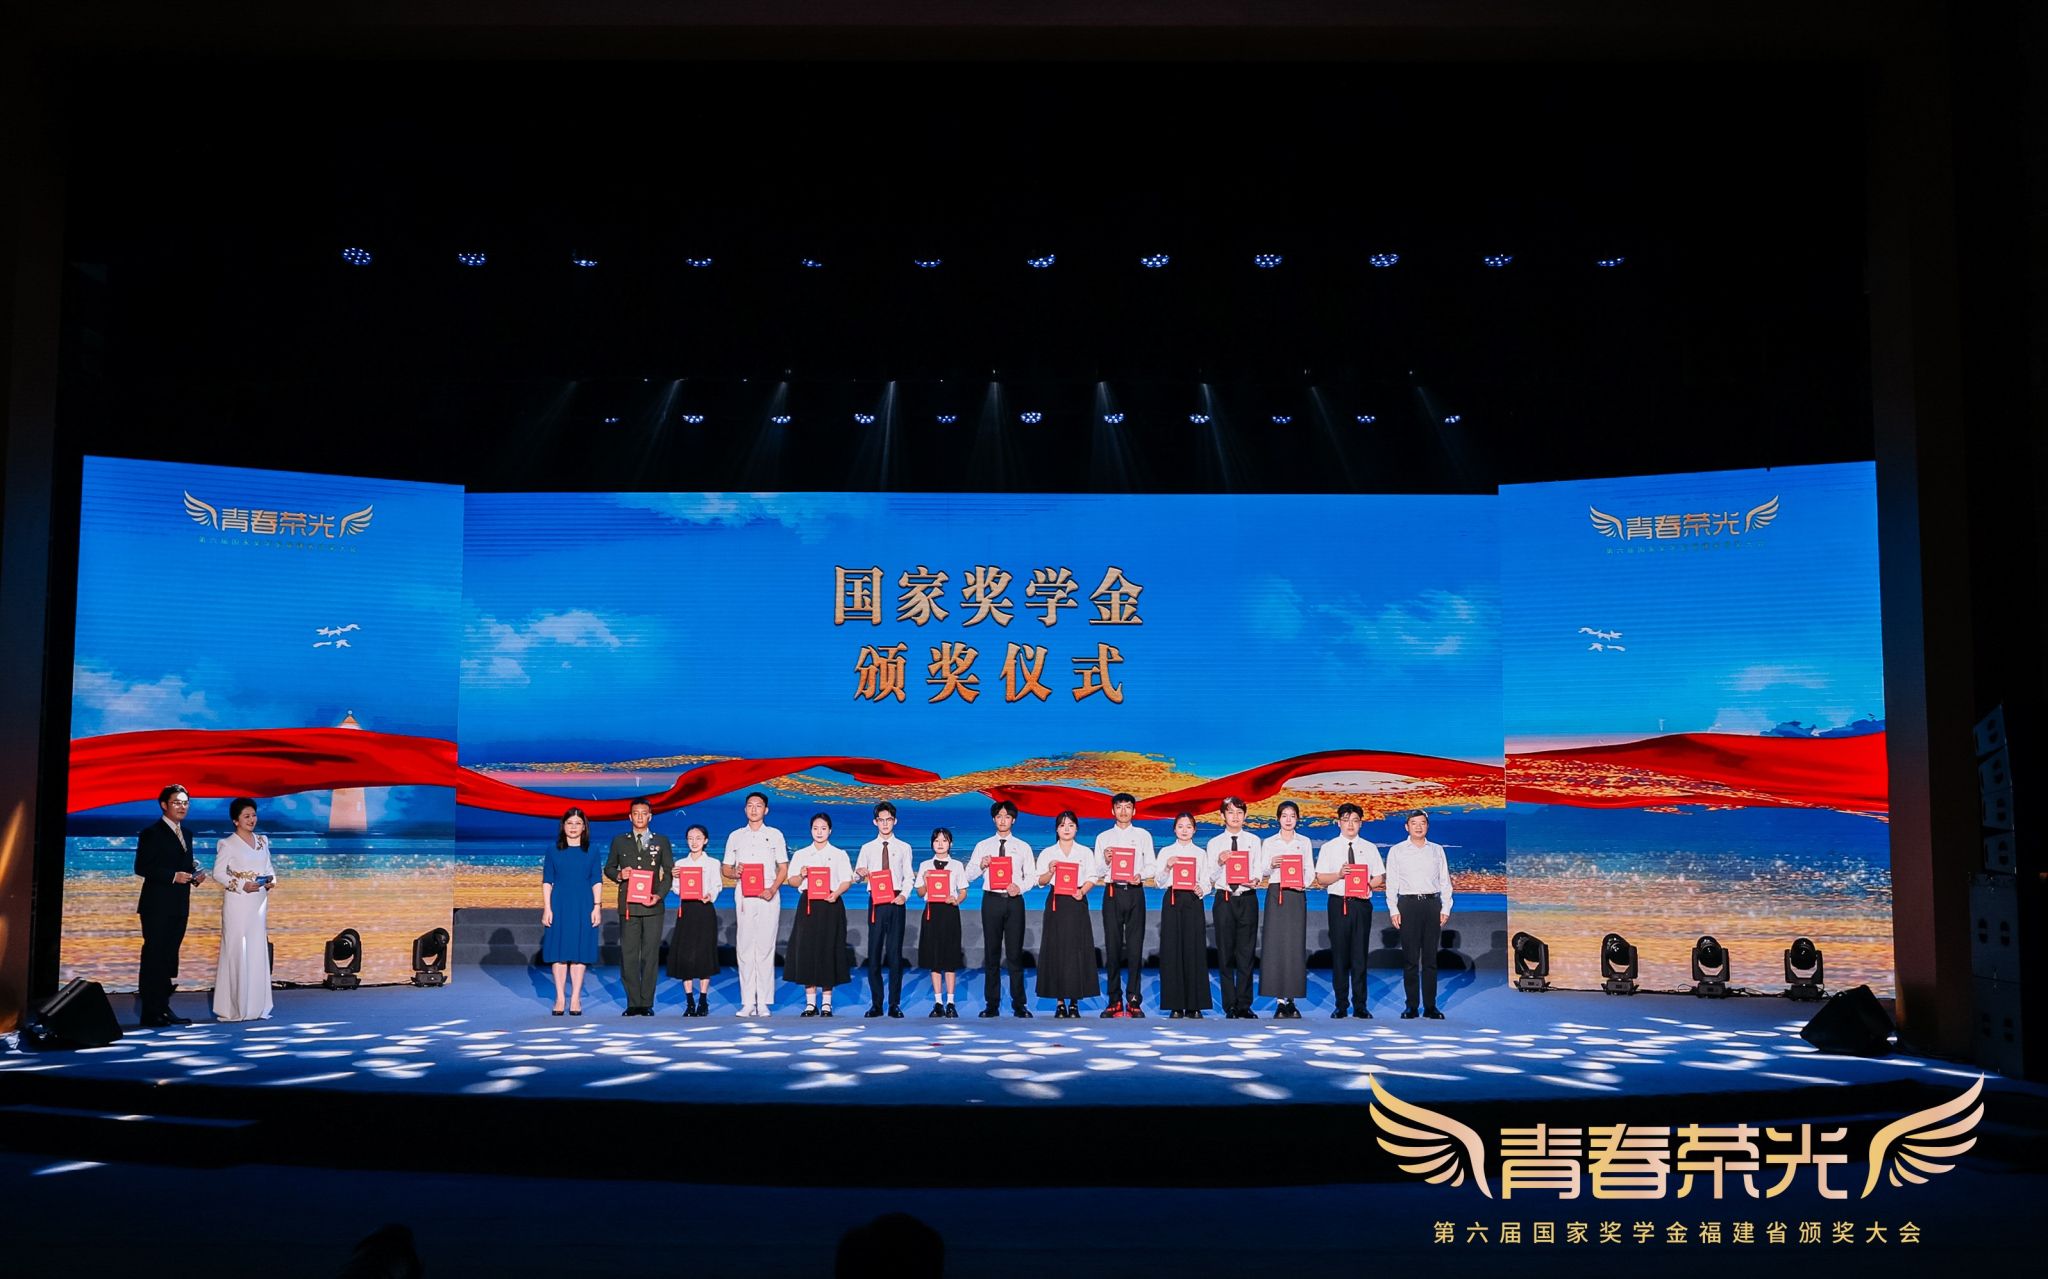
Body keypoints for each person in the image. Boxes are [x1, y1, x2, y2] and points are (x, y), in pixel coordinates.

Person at [134, 783, 204, 1027]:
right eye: (177, 802)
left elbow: (182, 864)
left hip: (179, 905)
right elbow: (142, 867)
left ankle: (163, 1007)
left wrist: (194, 875)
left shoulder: (187, 834)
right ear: (164, 805)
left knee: (168, 957)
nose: (182, 807)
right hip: (156, 905)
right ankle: (150, 1012)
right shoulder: (151, 833)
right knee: (154, 956)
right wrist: (173, 876)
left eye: (185, 803)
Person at [1314, 801, 1386, 1019]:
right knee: (1339, 955)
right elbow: (1320, 879)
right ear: (1339, 823)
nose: (1350, 825)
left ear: (1361, 823)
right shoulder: (1329, 848)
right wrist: (1339, 874)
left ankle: (1360, 1005)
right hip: (1339, 903)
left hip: (1361, 904)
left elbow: (1379, 876)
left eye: (1355, 820)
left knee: (1359, 955)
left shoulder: (1370, 848)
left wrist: (1368, 886)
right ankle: (1341, 1004)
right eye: (1346, 820)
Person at [604, 798, 674, 1016]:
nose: (640, 817)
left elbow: (668, 873)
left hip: (652, 906)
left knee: (650, 956)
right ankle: (633, 1002)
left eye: (644, 813)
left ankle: (646, 1003)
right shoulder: (619, 841)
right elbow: (608, 868)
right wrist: (619, 874)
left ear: (650, 816)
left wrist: (659, 896)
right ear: (630, 816)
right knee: (629, 955)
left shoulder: (661, 841)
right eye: (636, 813)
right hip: (628, 906)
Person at [722, 791, 789, 1017]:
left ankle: (764, 1002)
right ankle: (748, 1001)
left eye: (758, 805)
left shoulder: (775, 835)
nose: (754, 809)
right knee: (745, 948)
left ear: (766, 810)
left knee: (765, 947)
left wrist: (772, 889)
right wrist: (735, 872)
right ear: (745, 809)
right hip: (744, 896)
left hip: (768, 895)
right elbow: (726, 868)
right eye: (750, 805)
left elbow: (783, 867)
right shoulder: (735, 836)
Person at [210, 796, 276, 1022]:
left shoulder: (262, 841)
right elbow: (218, 873)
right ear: (235, 820)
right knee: (237, 952)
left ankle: (257, 1007)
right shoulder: (227, 844)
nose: (251, 820)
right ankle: (236, 1008)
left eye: (254, 815)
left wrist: (271, 881)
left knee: (257, 951)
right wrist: (240, 885)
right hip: (238, 903)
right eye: (246, 816)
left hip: (258, 901)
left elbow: (268, 867)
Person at [969, 799, 1035, 1017]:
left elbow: (1032, 877)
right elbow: (967, 875)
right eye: (999, 816)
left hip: (1014, 901)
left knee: (1015, 954)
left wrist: (1020, 887)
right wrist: (981, 865)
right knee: (992, 953)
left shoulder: (1023, 847)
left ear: (1013, 820)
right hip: (991, 901)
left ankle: (1019, 1004)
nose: (1003, 820)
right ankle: (992, 1004)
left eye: (1007, 816)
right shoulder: (983, 846)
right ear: (993, 819)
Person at [1386, 809, 1454, 1019]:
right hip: (1408, 905)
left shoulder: (1436, 850)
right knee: (1410, 959)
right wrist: (1393, 909)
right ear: (1407, 827)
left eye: (1422, 823)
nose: (1418, 826)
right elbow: (1391, 883)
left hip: (1432, 905)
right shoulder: (1397, 851)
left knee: (1430, 959)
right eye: (1414, 823)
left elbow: (1445, 881)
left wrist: (1445, 907)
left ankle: (1431, 1006)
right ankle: (1412, 1006)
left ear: (1427, 826)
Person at [1034, 810, 1102, 1019]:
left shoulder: (1084, 852)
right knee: (1056, 950)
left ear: (1076, 829)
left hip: (1077, 900)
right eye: (1063, 825)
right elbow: (1040, 881)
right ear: (1057, 829)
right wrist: (1050, 871)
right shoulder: (1048, 852)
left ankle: (1074, 1002)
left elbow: (1092, 876)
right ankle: (1060, 1002)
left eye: (1071, 825)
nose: (1066, 829)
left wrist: (1082, 891)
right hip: (1056, 902)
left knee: (1076, 950)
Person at [784, 813, 853, 1016]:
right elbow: (792, 881)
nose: (819, 832)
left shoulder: (839, 854)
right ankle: (810, 1003)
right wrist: (801, 875)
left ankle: (827, 1003)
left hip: (831, 904)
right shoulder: (801, 854)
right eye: (815, 828)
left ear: (830, 830)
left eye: (823, 828)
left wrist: (836, 893)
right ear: (810, 830)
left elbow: (846, 880)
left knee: (828, 949)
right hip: (808, 906)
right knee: (807, 950)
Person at [1092, 791, 1154, 1018]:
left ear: (1134, 811)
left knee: (1136, 948)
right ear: (1112, 810)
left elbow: (1152, 866)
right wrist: (1106, 860)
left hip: (1135, 892)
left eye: (1128, 807)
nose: (1123, 811)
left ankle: (1134, 999)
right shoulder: (1103, 838)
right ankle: (1114, 1000)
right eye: (1119, 807)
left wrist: (1140, 875)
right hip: (1112, 893)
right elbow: (1096, 871)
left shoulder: (1143, 835)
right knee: (1113, 947)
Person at [540, 806, 603, 1016]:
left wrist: (597, 907)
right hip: (559, 904)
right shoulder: (552, 850)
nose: (573, 827)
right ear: (563, 826)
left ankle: (575, 998)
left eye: (578, 823)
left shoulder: (592, 850)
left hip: (584, 904)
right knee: (559, 952)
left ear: (584, 827)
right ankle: (560, 997)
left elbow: (596, 880)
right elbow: (547, 880)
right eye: (569, 823)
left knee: (579, 952)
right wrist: (547, 908)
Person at [856, 800, 914, 1017]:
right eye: (881, 820)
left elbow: (909, 876)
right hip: (876, 902)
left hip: (896, 900)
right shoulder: (867, 848)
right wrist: (859, 874)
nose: (885, 823)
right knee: (874, 953)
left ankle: (894, 1004)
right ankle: (876, 1004)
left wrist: (904, 895)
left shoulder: (904, 847)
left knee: (894, 954)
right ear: (875, 822)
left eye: (889, 819)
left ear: (895, 821)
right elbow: (856, 876)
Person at [1152, 812, 1214, 1019]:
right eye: (1180, 826)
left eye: (1188, 826)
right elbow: (1158, 882)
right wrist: (1167, 867)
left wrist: (1201, 889)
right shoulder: (1166, 852)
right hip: (1172, 900)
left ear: (1194, 830)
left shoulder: (1200, 853)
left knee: (1194, 950)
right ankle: (1175, 1005)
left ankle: (1195, 1005)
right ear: (1174, 829)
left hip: (1193, 901)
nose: (1184, 830)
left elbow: (1207, 881)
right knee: (1172, 951)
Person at [1207, 795, 1263, 1019]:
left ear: (1245, 815)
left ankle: (1244, 1004)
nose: (1235, 817)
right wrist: (1220, 862)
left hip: (1248, 898)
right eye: (1231, 812)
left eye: (1240, 812)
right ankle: (1229, 1004)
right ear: (1222, 815)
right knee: (1225, 954)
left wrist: (1256, 879)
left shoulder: (1254, 840)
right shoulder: (1214, 843)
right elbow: (1210, 876)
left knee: (1246, 954)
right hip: (1225, 899)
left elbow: (1258, 869)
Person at [1258, 800, 1312, 1019]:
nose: (1288, 820)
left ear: (1297, 819)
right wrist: (1271, 864)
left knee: (1294, 946)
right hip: (1276, 893)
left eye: (1292, 816)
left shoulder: (1304, 841)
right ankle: (1280, 1001)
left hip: (1296, 895)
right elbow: (1261, 870)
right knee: (1276, 945)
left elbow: (1309, 870)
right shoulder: (1270, 842)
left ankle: (1292, 999)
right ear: (1278, 818)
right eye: (1284, 816)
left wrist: (1303, 884)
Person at [667, 823, 723, 1016]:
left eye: (698, 838)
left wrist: (710, 895)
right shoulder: (680, 864)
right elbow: (676, 890)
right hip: (687, 910)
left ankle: (703, 1000)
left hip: (704, 909)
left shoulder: (713, 863)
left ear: (705, 840)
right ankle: (689, 1001)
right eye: (690, 838)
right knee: (686, 956)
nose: (694, 842)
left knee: (704, 955)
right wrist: (674, 877)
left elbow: (717, 885)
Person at [915, 827, 967, 1017]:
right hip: (931, 912)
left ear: (950, 844)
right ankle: (938, 1002)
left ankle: (951, 1002)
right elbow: (920, 893)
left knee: (950, 958)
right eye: (936, 840)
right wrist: (925, 880)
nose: (940, 844)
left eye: (944, 840)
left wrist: (956, 900)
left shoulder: (957, 865)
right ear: (932, 844)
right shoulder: (925, 865)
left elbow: (963, 891)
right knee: (934, 959)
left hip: (949, 911)